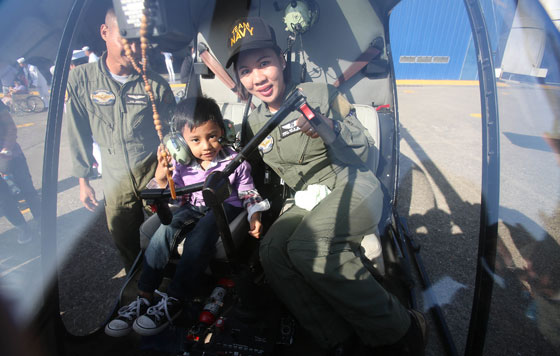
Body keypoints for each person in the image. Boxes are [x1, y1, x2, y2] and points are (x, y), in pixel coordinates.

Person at [225, 17, 426, 355]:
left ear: (281, 61)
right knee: (271, 253)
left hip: (352, 183)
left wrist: (327, 125)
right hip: (304, 198)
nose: (257, 78)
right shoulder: (254, 120)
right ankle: (337, 339)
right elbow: (245, 166)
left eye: (264, 63)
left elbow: (362, 150)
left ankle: (402, 330)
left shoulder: (318, 94)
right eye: (246, 71)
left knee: (307, 246)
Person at [105, 96, 269, 337]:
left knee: (198, 239)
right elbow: (175, 200)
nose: (206, 146)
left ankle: (175, 298)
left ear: (222, 132)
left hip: (224, 207)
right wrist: (162, 178)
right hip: (192, 206)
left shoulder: (234, 162)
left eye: (212, 136)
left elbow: (247, 191)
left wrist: (255, 214)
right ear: (182, 142)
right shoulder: (182, 166)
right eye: (195, 140)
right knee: (163, 232)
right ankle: (144, 296)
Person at [65, 8, 176, 271]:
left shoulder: (156, 85)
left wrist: (165, 172)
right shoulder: (81, 80)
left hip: (153, 175)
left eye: (142, 40)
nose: (136, 47)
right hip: (114, 181)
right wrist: (84, 181)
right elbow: (77, 132)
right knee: (125, 241)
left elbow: (173, 132)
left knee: (164, 236)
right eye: (128, 38)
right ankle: (137, 287)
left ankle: (165, 287)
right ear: (105, 32)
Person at [0, 101, 41, 244]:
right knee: (4, 202)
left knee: (28, 191)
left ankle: (42, 222)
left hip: (11, 156)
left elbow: (10, 126)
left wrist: (6, 149)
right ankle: (23, 228)